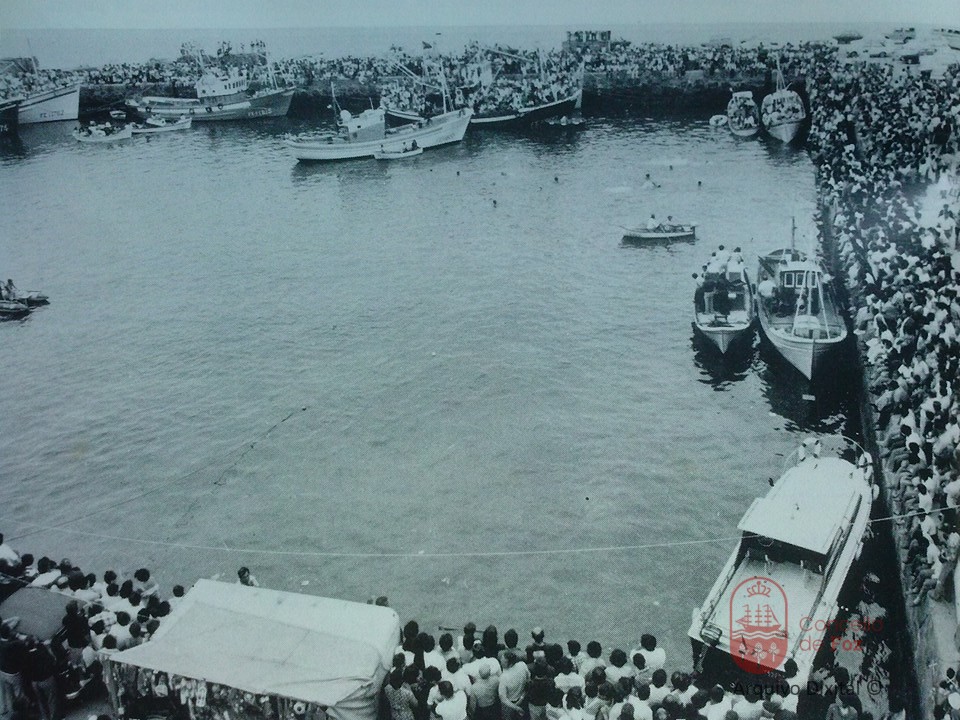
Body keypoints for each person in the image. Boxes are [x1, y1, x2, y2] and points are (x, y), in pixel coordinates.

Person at [498, 652, 528, 720]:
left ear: (510, 663)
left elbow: (503, 698)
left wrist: (517, 708)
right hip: (521, 699)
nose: (501, 662)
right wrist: (522, 697)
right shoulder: (522, 665)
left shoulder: (503, 677)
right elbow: (528, 680)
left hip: (509, 704)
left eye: (504, 661)